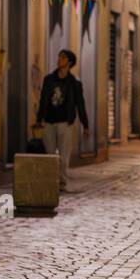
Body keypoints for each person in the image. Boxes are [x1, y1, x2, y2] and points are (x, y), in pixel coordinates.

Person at [35, 49, 90, 192]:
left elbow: (80, 103)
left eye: (63, 58)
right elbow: (43, 100)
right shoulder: (49, 79)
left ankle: (62, 183)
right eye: (59, 57)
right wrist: (39, 119)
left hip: (65, 122)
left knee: (64, 155)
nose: (59, 59)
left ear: (69, 62)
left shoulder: (74, 83)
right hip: (49, 121)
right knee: (49, 154)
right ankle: (50, 182)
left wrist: (86, 125)